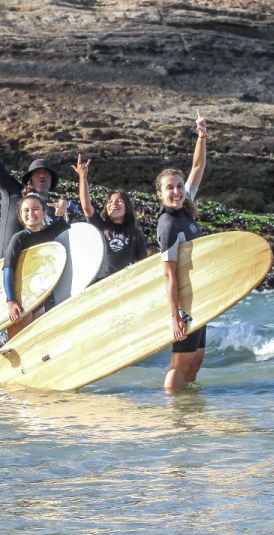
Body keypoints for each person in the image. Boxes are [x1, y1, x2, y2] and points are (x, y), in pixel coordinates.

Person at [0, 107, 78, 259]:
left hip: (35, 271)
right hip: (3, 265)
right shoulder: (13, 192)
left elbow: (84, 213)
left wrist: (67, 204)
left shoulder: (54, 209)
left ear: (52, 181)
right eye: (37, 173)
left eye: (46, 173)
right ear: (30, 179)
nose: (42, 175)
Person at [156, 113, 209, 392]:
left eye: (179, 187)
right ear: (160, 194)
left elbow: (198, 166)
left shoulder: (185, 209)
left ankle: (188, 410)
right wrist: (175, 314)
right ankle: (172, 413)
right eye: (170, 188)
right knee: (180, 361)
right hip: (184, 301)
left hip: (197, 295)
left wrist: (201, 136)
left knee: (197, 357)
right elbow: (169, 275)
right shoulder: (168, 224)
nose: (177, 191)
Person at [3, 192, 70, 338]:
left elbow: (75, 218)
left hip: (42, 296)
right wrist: (10, 301)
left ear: (44, 212)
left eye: (35, 209)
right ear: (20, 215)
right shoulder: (19, 238)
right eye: (25, 210)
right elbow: (8, 268)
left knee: (36, 342)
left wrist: (63, 204)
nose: (30, 213)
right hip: (22, 299)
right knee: (17, 343)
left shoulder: (51, 233)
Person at [73, 154, 147, 280]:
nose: (114, 204)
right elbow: (86, 206)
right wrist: (82, 177)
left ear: (127, 207)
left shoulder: (136, 234)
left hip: (125, 281)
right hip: (100, 281)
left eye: (119, 201)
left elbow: (143, 263)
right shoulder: (100, 226)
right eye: (110, 202)